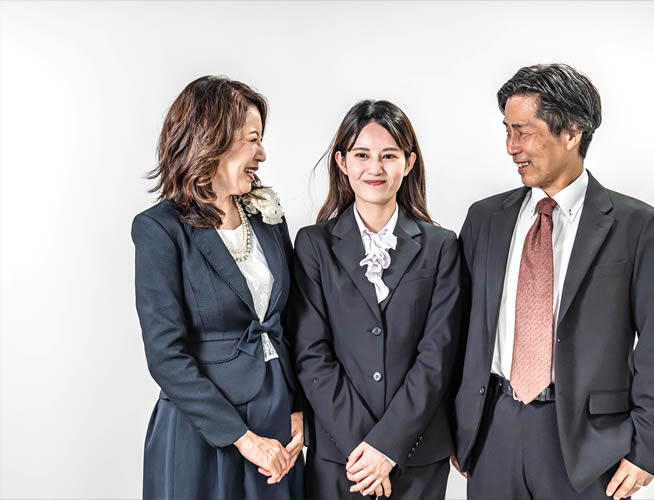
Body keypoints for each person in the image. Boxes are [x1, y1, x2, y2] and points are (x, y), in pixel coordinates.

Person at [452, 64, 654, 500]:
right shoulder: (484, 219)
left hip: (589, 446)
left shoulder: (636, 225)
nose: (511, 147)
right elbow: (456, 328)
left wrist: (648, 449)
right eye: (507, 131)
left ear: (572, 133)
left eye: (523, 131)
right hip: (492, 430)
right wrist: (457, 425)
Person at [132, 75, 304, 500]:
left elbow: (295, 319)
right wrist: (244, 440)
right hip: (204, 432)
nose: (262, 154)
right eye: (253, 140)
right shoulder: (159, 229)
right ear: (212, 139)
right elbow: (165, 355)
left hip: (277, 423)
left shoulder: (268, 217)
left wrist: (300, 409)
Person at [289, 100, 461, 499]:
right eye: (362, 155)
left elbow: (438, 357)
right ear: (342, 162)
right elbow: (311, 354)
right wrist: (364, 449)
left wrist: (388, 445)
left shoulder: (441, 246)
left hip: (418, 454)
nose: (375, 168)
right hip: (340, 457)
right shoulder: (313, 245)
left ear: (409, 162)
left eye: (389, 155)